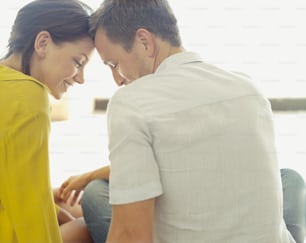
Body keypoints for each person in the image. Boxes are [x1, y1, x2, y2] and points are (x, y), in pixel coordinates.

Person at [84, 0, 303, 242]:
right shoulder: (248, 89)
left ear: (144, 42)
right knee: (288, 178)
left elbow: (132, 235)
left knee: (95, 195)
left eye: (114, 64)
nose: (117, 79)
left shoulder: (131, 102)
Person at [0, 0, 94, 242]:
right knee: (87, 225)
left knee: (67, 206)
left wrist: (58, 211)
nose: (81, 78)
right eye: (78, 62)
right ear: (42, 43)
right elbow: (28, 205)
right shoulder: (30, 97)